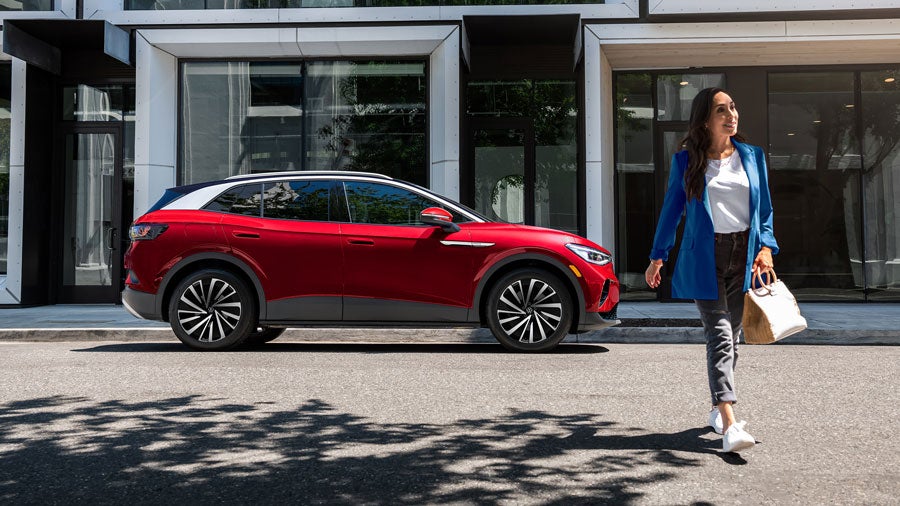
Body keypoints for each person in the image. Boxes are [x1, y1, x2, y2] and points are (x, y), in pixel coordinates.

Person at [645, 87, 778, 454]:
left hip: (744, 254)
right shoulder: (687, 161)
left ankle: (719, 407)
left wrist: (766, 247)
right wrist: (658, 256)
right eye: (722, 110)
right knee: (719, 335)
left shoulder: (752, 156)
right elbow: (672, 210)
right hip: (706, 256)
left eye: (733, 107)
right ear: (706, 119)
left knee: (733, 338)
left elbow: (763, 210)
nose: (732, 115)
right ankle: (730, 423)